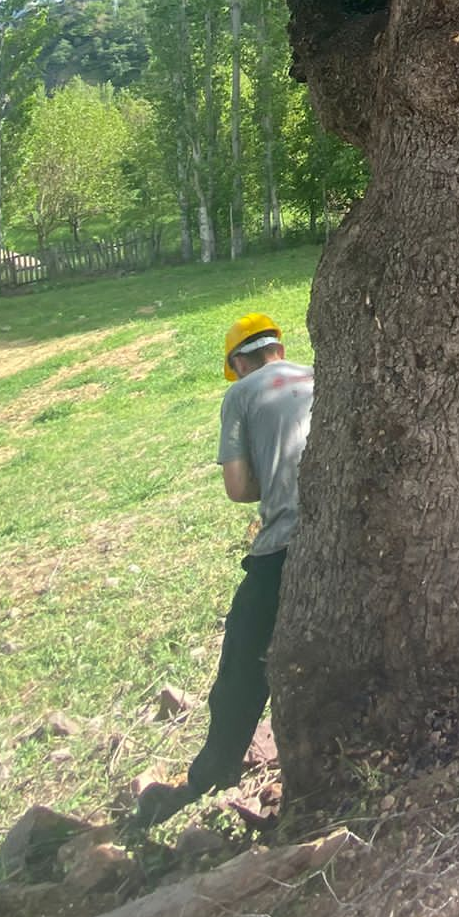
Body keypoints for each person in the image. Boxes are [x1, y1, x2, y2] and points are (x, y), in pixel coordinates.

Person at [133, 312, 313, 829]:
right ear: (278, 349)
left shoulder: (238, 395)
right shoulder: (318, 374)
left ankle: (212, 771)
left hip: (285, 541)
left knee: (243, 658)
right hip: (344, 529)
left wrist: (270, 482)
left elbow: (238, 488)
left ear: (238, 362)